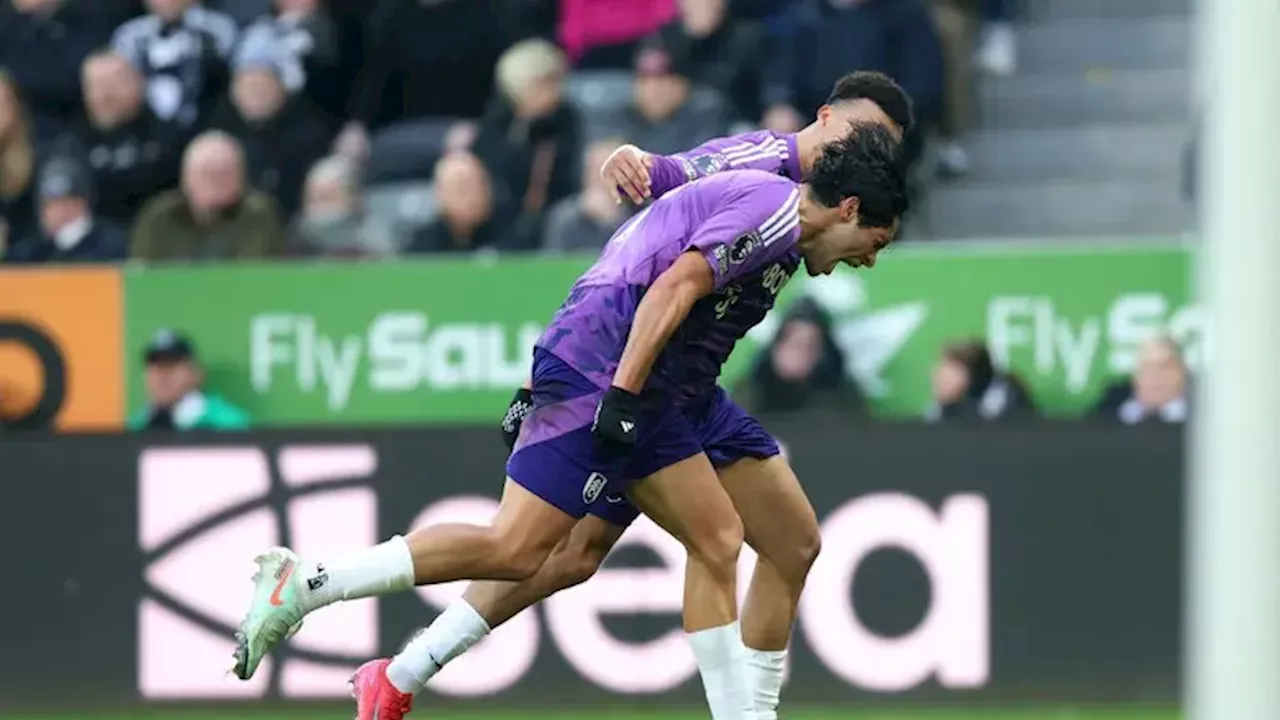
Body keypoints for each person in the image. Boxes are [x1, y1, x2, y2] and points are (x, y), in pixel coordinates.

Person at [230, 124, 908, 720]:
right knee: (528, 545)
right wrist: (619, 394)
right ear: (848, 204)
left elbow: (646, 229)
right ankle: (310, 585)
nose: (870, 259)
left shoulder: (773, 204)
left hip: (664, 385)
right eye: (873, 241)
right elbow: (669, 284)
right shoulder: (777, 207)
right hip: (612, 371)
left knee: (647, 548)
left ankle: (392, 670)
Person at [600, 71, 912, 206]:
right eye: (862, 130)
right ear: (826, 116)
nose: (869, 147)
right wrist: (638, 163)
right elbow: (681, 172)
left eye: (882, 144)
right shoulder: (761, 158)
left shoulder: (841, 199)